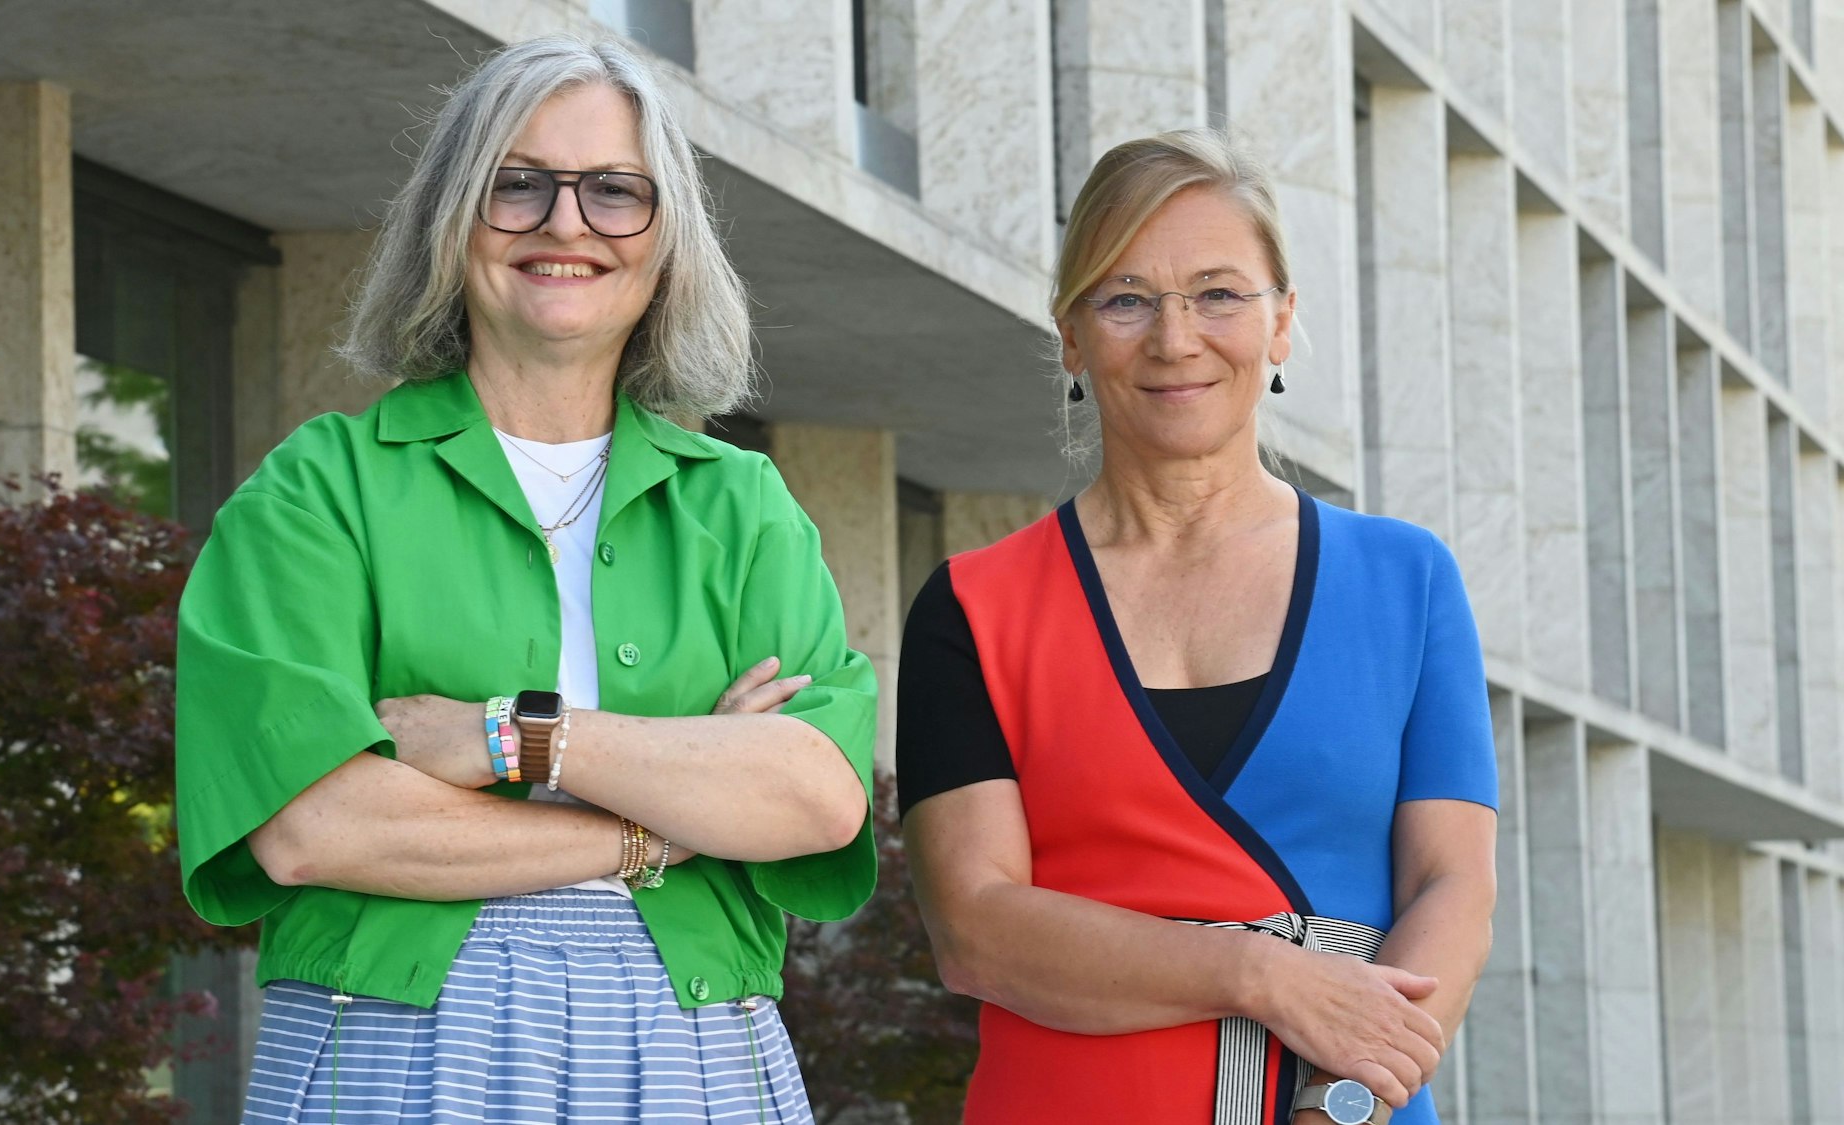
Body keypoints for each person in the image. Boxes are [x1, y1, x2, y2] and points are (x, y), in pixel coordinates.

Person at [175, 35, 875, 1124]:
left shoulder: (740, 508)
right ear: (452, 224)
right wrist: (657, 829)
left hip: (691, 1054)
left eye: (613, 191)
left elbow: (815, 795)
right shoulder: (318, 493)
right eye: (518, 186)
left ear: (665, 241)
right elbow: (314, 826)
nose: (565, 224)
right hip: (397, 1051)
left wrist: (516, 737)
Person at [898, 128, 1498, 1125]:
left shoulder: (1407, 581)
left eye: (1217, 294)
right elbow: (975, 929)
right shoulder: (971, 607)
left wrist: (1340, 1103)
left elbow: (1452, 888)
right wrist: (1253, 972)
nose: (1174, 339)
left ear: (1280, 324)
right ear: (1071, 337)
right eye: (1125, 298)